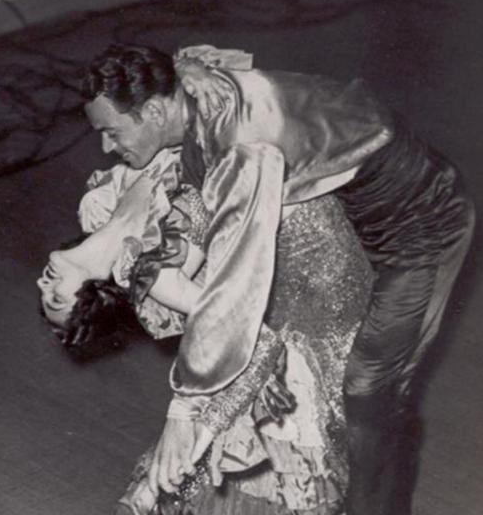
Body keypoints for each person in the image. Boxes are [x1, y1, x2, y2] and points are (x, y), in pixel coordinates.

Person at [75, 43, 474, 515]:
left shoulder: (240, 148)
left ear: (157, 109)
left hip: (422, 228)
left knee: (368, 390)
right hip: (361, 221)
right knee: (355, 393)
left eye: (110, 131)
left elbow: (235, 286)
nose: (105, 146)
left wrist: (186, 409)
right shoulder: (196, 104)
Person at [39, 148, 373, 514]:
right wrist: (193, 427)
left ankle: (158, 484)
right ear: (96, 297)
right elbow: (253, 333)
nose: (44, 283)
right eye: (56, 300)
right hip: (309, 274)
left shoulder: (101, 209)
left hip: (288, 220)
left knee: (237, 421)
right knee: (257, 430)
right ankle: (156, 488)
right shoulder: (152, 275)